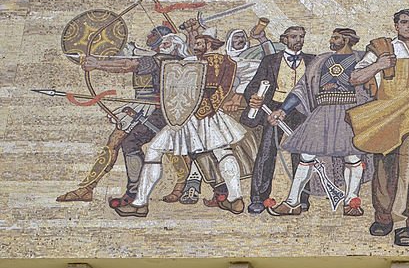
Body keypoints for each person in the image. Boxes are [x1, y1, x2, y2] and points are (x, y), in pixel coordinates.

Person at [57, 25, 188, 205]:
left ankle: (176, 186)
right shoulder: (148, 55)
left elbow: (127, 65)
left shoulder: (163, 59)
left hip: (161, 109)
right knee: (115, 141)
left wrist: (97, 64)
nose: (149, 35)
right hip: (141, 107)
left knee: (168, 148)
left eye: (156, 35)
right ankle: (87, 188)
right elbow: (122, 59)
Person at [127, 25, 248, 216]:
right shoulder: (230, 63)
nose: (196, 44)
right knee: (223, 152)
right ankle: (236, 199)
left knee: (154, 150)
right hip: (211, 115)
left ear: (209, 44)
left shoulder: (191, 63)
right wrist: (236, 96)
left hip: (186, 115)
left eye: (200, 42)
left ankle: (140, 203)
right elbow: (247, 76)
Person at [349, 8, 409, 247]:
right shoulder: (382, 49)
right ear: (396, 25)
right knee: (384, 170)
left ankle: (404, 225)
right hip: (385, 117)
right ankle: (383, 218)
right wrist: (378, 65)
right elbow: (355, 78)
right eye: (404, 22)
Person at [266, 28, 373, 216]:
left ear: (347, 40)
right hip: (322, 114)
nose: (331, 40)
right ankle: (293, 202)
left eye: (336, 37)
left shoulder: (362, 59)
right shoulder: (321, 60)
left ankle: (351, 202)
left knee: (353, 157)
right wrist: (283, 110)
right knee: (306, 156)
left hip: (350, 113)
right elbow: (302, 88)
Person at [242, 26, 315, 214]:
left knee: (303, 155)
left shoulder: (312, 60)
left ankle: (301, 198)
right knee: (267, 151)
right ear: (284, 39)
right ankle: (258, 198)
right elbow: (252, 87)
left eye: (301, 37)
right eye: (293, 37)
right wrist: (254, 98)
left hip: (303, 111)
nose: (298, 40)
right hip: (274, 109)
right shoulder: (270, 61)